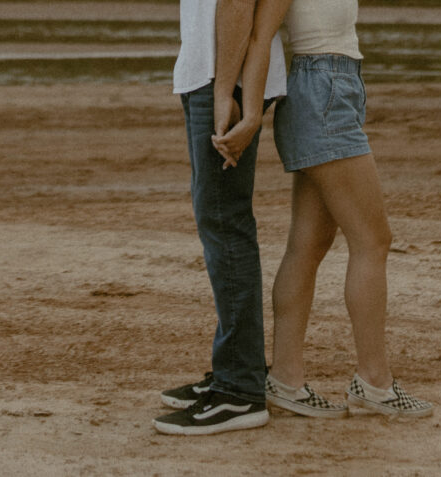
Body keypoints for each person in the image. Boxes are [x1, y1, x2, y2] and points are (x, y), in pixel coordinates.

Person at [214, 0, 433, 418]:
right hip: (322, 91)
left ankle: (285, 380)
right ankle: (374, 384)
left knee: (309, 243)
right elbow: (261, 34)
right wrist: (252, 115)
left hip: (334, 86)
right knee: (373, 240)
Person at [152, 0, 287, 435]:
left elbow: (236, 3)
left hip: (222, 75)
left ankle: (240, 389)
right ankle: (236, 369)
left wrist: (222, 91)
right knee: (222, 223)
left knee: (224, 225)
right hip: (215, 73)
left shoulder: (221, 83)